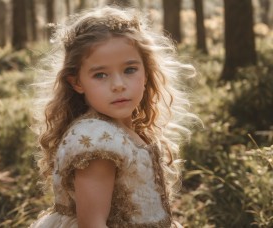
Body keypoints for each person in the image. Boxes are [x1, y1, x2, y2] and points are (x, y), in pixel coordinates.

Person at [30, 5, 197, 228]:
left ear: (146, 72)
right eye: (100, 75)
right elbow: (92, 224)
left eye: (129, 70)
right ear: (77, 82)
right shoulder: (97, 140)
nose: (118, 85)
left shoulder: (121, 129)